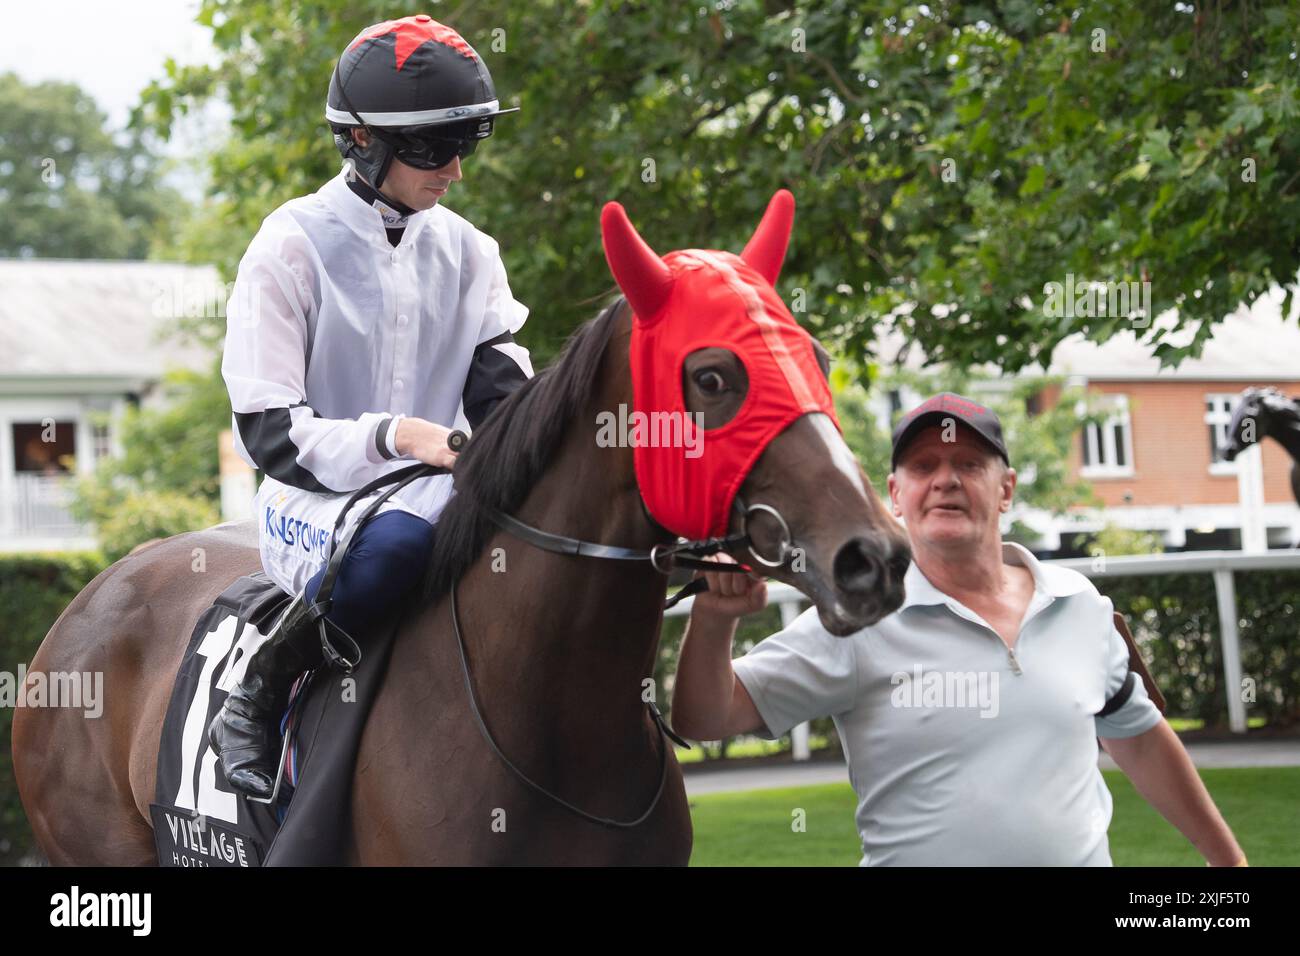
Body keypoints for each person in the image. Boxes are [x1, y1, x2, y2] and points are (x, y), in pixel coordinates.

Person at [672, 392, 1247, 866]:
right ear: (895, 495)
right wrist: (714, 619)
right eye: (923, 467)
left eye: (969, 465)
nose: (946, 480)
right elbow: (705, 718)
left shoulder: (1081, 606)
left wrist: (1229, 864)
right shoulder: (858, 620)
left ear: (1007, 489)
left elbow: (1141, 739)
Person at [210, 14, 533, 800]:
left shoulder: (472, 252)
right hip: (314, 500)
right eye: (433, 148)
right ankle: (257, 689)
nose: (454, 169)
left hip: (439, 485)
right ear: (359, 139)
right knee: (392, 552)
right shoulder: (288, 245)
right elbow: (269, 434)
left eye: (467, 143)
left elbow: (504, 401)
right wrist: (399, 438)